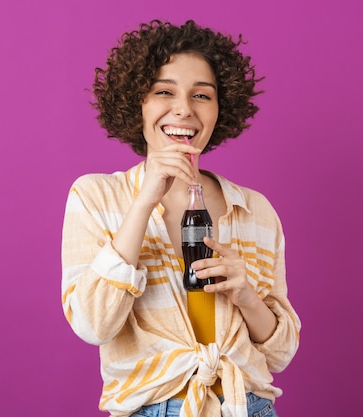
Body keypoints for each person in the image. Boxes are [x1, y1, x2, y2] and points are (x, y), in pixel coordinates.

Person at [61, 20, 301, 417]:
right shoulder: (95, 196)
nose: (184, 109)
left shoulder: (255, 209)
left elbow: (281, 353)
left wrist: (247, 297)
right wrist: (144, 203)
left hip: (249, 407)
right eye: (164, 92)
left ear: (220, 108)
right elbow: (93, 325)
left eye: (202, 95)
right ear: (136, 101)